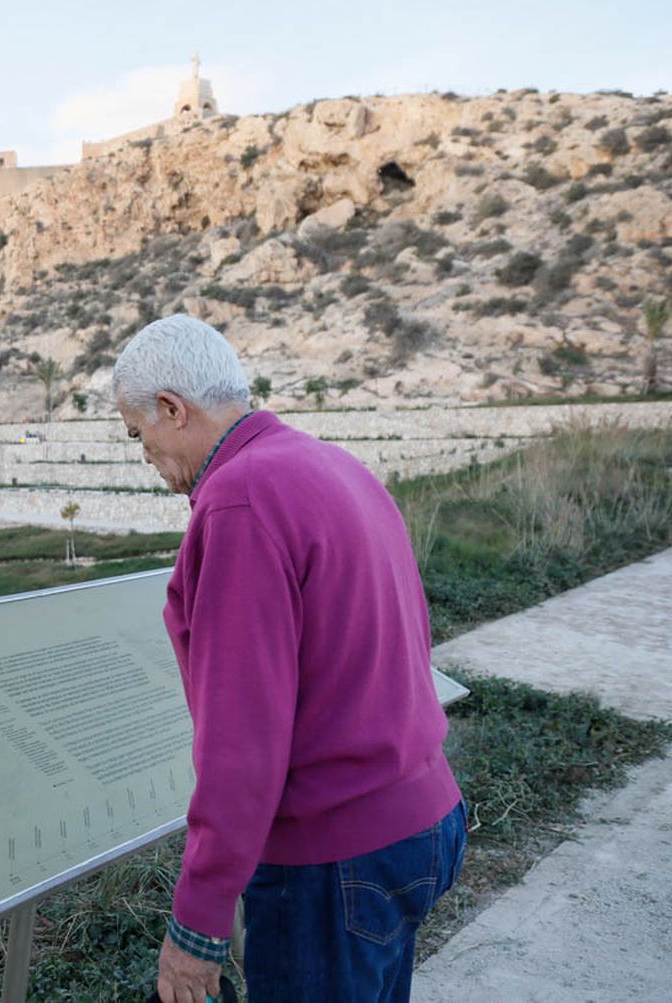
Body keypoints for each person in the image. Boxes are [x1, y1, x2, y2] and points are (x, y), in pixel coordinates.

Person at [112, 315, 465, 1003]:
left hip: (333, 861)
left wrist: (199, 922)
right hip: (421, 822)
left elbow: (243, 738)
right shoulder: (329, 463)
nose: (144, 454)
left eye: (137, 433)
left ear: (173, 409)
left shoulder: (239, 501)